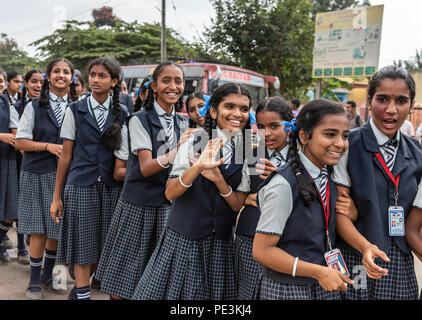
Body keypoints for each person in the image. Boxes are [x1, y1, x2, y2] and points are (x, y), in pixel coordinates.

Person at [132, 82, 254, 300]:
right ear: (214, 111)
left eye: (244, 109)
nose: (237, 114)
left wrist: (218, 180)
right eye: (230, 107)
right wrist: (197, 167)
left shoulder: (249, 147)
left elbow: (237, 204)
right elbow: (170, 193)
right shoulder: (194, 139)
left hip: (222, 243)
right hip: (185, 238)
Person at [95, 60, 190, 300]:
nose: (173, 86)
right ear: (154, 86)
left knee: (156, 279)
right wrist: (175, 153)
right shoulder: (139, 119)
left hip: (168, 208)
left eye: (178, 81)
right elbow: (146, 167)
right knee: (124, 275)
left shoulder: (183, 122)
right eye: (166, 80)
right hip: (138, 207)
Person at [333, 65, 422, 300]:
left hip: (399, 259)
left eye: (401, 101)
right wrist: (365, 248)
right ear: (370, 101)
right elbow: (341, 212)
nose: (391, 110)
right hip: (357, 256)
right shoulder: (347, 145)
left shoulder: (417, 152)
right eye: (382, 99)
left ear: (411, 105)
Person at [252, 99, 352, 300]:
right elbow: (262, 251)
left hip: (322, 282)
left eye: (345, 136)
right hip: (289, 288)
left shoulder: (328, 175)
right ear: (304, 136)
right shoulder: (283, 184)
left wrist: (366, 247)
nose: (340, 143)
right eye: (330, 134)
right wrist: (317, 271)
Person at [50, 57, 128, 301]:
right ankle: (82, 294)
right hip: (80, 184)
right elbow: (65, 156)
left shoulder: (123, 113)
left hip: (111, 188)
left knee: (103, 249)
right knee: (83, 251)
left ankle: (79, 292)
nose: (95, 80)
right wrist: (57, 197)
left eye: (102, 76)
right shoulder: (75, 109)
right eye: (92, 75)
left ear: (114, 82)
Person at [16, 58, 77, 300]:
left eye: (66, 72)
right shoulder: (34, 106)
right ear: (48, 77)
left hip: (67, 176)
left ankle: (48, 275)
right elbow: (20, 142)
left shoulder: (77, 107)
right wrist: (47, 146)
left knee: (56, 229)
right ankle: (33, 281)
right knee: (38, 230)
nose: (61, 75)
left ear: (71, 78)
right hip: (36, 173)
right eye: (56, 72)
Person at [234, 96, 293, 300]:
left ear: (289, 124)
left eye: (274, 126)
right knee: (249, 293)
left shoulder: (303, 155)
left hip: (288, 240)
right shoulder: (251, 154)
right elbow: (239, 196)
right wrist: (247, 198)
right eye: (260, 126)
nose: (266, 133)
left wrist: (284, 178)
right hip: (249, 238)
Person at [0, 86, 20, 264]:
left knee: (10, 210)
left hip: (6, 159)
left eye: (0, 81)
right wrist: (1, 136)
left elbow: (15, 131)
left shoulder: (6, 102)